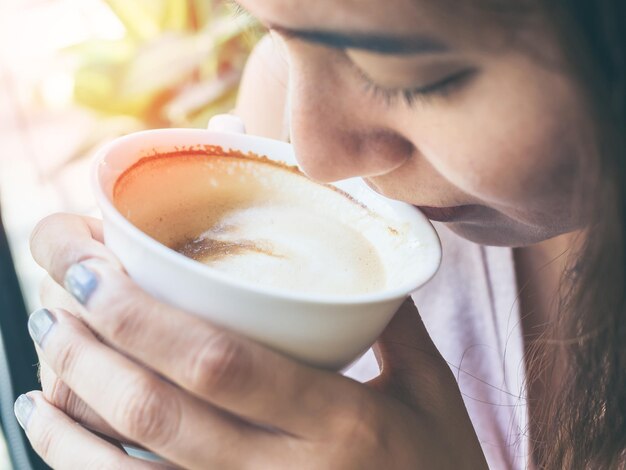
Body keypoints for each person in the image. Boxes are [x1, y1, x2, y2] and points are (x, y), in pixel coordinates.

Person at [13, 0, 626, 468]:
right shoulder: (284, 103)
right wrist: (146, 411)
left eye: (407, 75)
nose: (311, 157)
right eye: (274, 34)